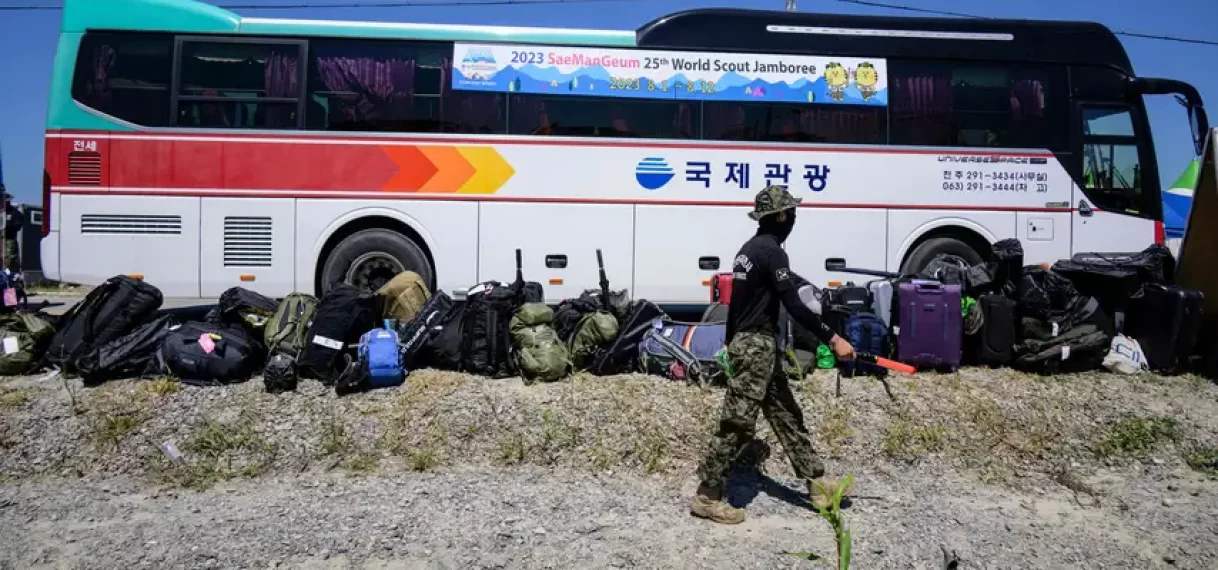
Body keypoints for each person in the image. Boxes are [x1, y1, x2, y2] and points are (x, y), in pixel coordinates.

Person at [691, 184, 856, 525]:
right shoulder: (773, 252)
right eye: (791, 213)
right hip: (756, 348)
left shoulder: (747, 251)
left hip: (751, 346)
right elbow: (794, 304)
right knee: (737, 423)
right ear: (781, 215)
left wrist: (728, 342)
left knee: (785, 414)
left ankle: (817, 483)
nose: (794, 218)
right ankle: (707, 496)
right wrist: (832, 337)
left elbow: (734, 304)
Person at [2, 190, 22, 274]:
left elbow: (17, 226)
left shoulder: (15, 213)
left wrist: (5, 226)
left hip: (9, 240)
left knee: (11, 261)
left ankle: (13, 277)